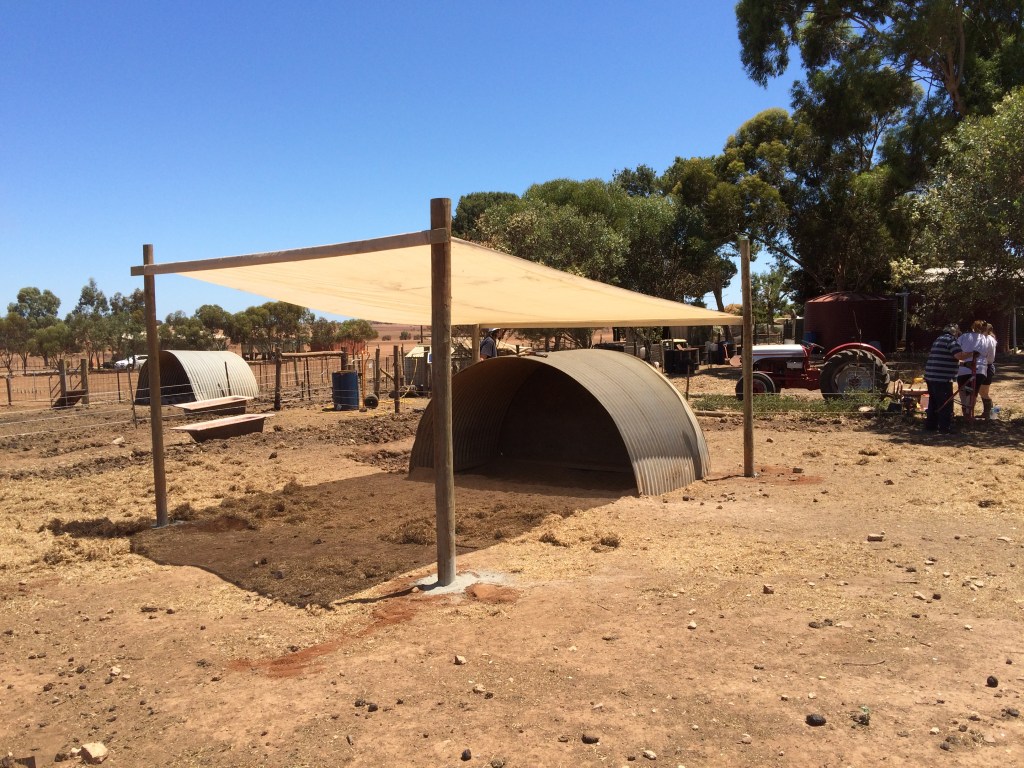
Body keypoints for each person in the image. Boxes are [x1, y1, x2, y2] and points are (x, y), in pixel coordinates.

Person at [923, 324, 972, 433]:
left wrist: (963, 365)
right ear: (954, 332)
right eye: (958, 332)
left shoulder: (938, 339)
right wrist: (974, 353)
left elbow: (946, 358)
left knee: (934, 402)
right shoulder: (950, 340)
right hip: (942, 378)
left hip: (931, 376)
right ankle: (945, 428)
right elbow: (959, 356)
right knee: (945, 403)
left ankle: (931, 426)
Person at [956, 320, 997, 419]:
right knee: (973, 392)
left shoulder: (964, 337)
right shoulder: (987, 339)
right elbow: (990, 357)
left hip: (964, 368)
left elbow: (956, 350)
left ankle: (967, 413)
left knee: (965, 391)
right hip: (980, 369)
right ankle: (970, 413)